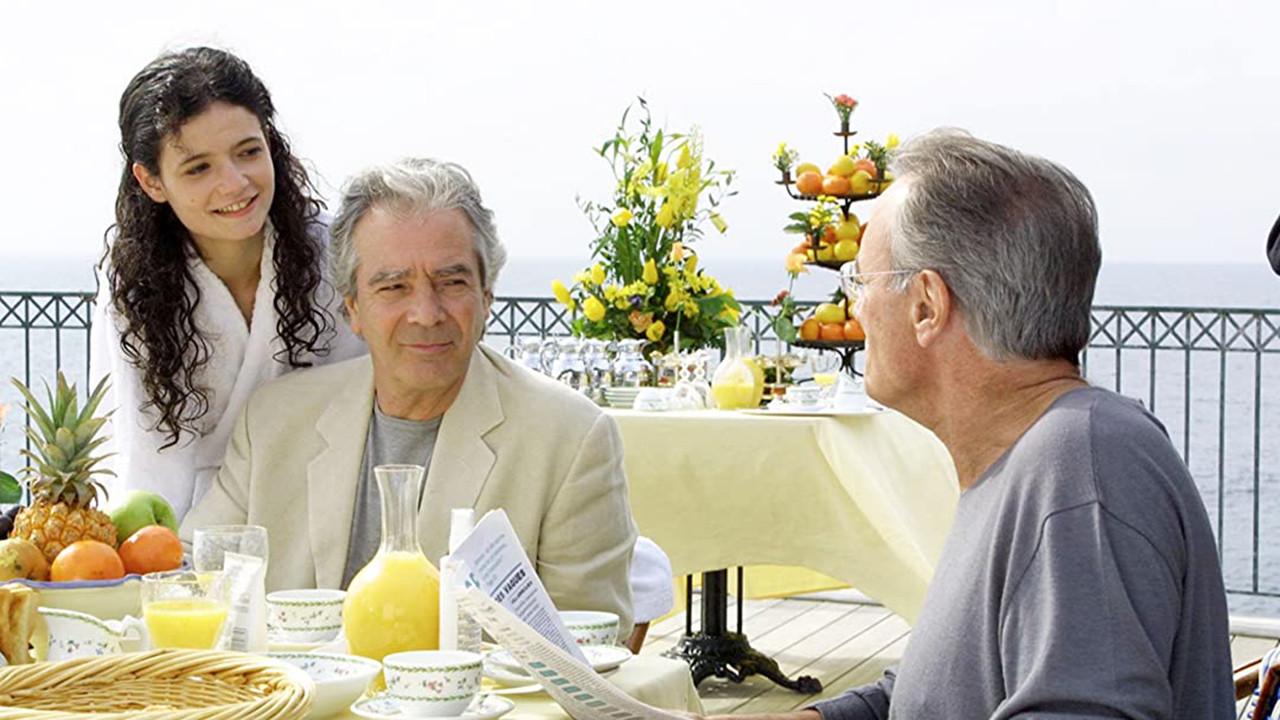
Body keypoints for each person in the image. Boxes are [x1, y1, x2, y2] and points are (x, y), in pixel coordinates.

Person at [718, 130, 1233, 719]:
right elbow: (946, 688)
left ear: (927, 305)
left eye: (859, 282)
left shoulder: (1079, 469)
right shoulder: (1029, 458)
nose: (856, 308)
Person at [181, 158, 638, 634]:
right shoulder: (273, 420)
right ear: (353, 308)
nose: (426, 313)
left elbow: (590, 645)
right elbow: (195, 578)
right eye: (394, 286)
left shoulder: (569, 438)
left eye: (451, 282)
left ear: (487, 296)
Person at [91, 47, 364, 521]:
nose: (235, 183)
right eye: (198, 168)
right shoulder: (135, 284)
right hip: (191, 524)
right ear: (152, 181)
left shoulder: (336, 252)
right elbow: (149, 456)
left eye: (248, 152)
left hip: (332, 506)